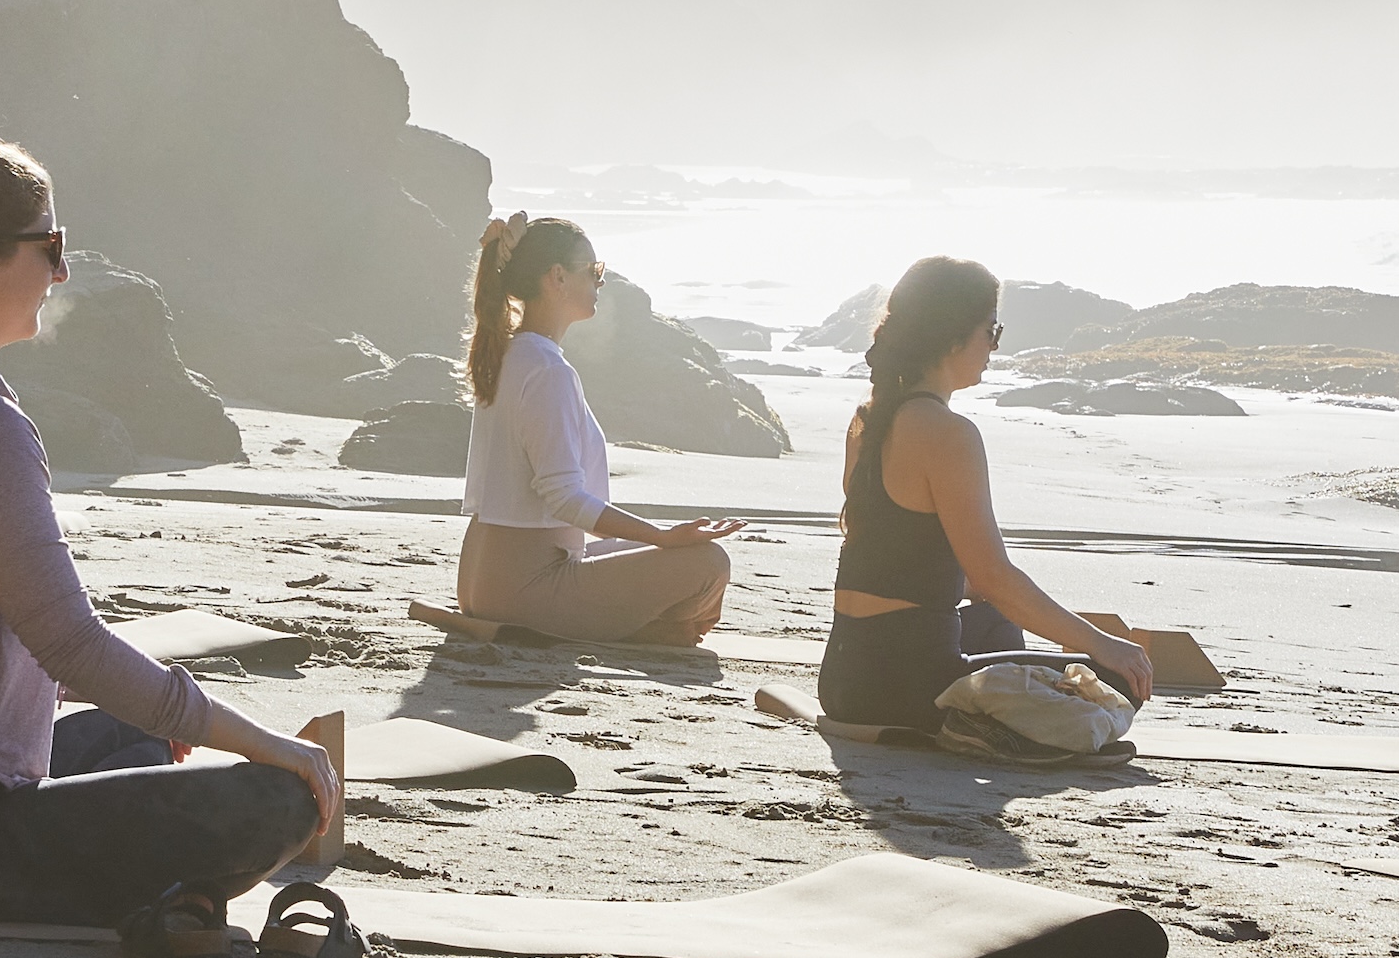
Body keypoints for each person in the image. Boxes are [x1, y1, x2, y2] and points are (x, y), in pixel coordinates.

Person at [0, 129, 338, 918]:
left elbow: (0, 633)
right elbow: (69, 641)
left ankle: (174, 897)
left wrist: (162, 709)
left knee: (132, 736)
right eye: (49, 243)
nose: (62, 268)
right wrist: (267, 743)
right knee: (277, 798)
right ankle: (178, 898)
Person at [818, 255, 1157, 727]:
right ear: (953, 335)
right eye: (992, 331)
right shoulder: (949, 433)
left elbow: (891, 561)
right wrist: (1101, 643)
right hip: (912, 690)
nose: (994, 347)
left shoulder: (867, 420)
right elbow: (996, 578)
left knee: (994, 623)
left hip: (843, 680)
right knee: (1113, 679)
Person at [456, 213, 743, 646]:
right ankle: (658, 628)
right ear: (557, 278)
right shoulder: (547, 369)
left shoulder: (506, 354)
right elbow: (566, 499)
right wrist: (661, 536)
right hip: (525, 593)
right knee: (708, 564)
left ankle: (656, 624)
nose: (600, 282)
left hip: (483, 584)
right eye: (594, 272)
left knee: (676, 556)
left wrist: (658, 543)